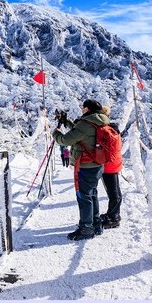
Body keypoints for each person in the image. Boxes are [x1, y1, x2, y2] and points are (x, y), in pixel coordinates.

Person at [52, 99, 110, 240]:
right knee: (92, 194)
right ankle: (95, 223)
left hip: (86, 165)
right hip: (97, 164)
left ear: (87, 109)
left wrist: (56, 133)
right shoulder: (101, 120)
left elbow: (66, 140)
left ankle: (86, 229)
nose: (81, 109)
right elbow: (80, 132)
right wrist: (67, 122)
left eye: (83, 107)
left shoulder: (86, 123)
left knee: (84, 197)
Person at [99, 106, 123, 229]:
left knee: (113, 193)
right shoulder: (113, 128)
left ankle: (113, 219)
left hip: (107, 165)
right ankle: (113, 214)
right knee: (116, 192)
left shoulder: (103, 130)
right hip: (115, 163)